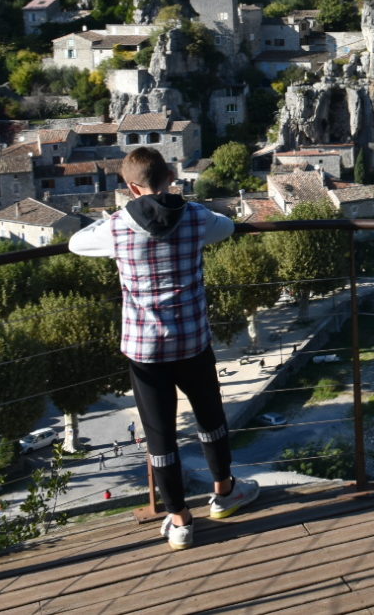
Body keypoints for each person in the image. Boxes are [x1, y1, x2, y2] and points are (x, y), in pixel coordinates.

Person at [70, 147, 259, 550]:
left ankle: (179, 519)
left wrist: (114, 218)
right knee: (211, 417)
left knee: (160, 435)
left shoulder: (117, 227)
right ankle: (225, 493)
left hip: (144, 349)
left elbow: (76, 243)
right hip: (192, 341)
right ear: (171, 175)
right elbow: (226, 226)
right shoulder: (196, 218)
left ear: (130, 186)